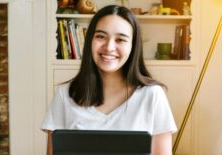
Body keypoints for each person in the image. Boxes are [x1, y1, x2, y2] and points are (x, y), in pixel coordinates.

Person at [42, 5, 177, 155]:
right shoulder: (64, 94)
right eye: (101, 36)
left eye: (120, 39)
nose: (109, 47)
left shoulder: (153, 95)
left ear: (133, 46)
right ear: (90, 41)